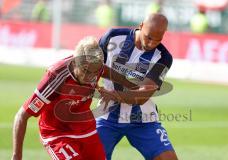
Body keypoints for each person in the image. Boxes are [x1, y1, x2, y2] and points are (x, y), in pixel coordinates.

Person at [11, 37, 115, 160]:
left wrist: (131, 84)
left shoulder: (95, 66)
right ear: (76, 62)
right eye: (86, 71)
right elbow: (21, 116)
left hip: (85, 129)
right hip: (57, 132)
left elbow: (104, 72)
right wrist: (16, 156)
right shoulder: (55, 78)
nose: (91, 77)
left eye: (95, 72)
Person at [96, 13, 178, 160]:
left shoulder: (164, 57)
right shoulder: (112, 37)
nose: (152, 43)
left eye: (158, 40)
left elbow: (141, 97)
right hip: (107, 115)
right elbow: (94, 67)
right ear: (140, 26)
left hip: (143, 119)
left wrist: (113, 94)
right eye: (149, 37)